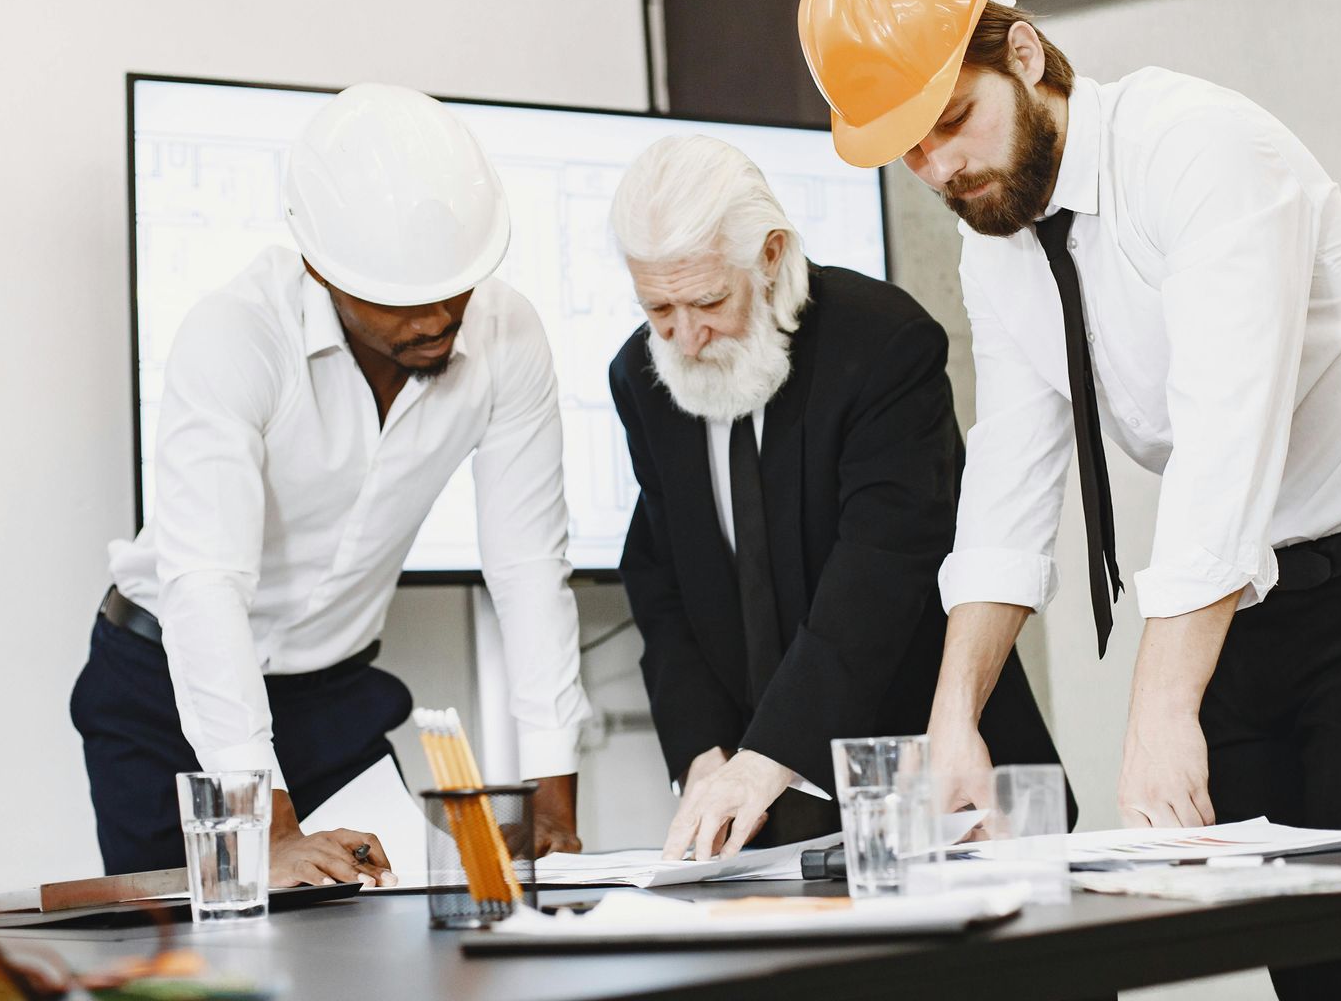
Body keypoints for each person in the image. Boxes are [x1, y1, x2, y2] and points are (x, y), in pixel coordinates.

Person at [798, 0, 1341, 1000]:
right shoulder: (999, 235)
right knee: (1297, 971)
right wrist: (953, 722)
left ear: (1023, 55)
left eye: (953, 122)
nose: (942, 168)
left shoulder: (1196, 146)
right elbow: (1009, 488)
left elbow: (1226, 440)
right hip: (1241, 618)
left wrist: (1160, 706)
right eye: (914, 150)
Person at [72, 83, 591, 885]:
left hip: (332, 693)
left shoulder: (507, 336)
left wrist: (554, 806)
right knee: (198, 960)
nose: (433, 319)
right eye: (399, 300)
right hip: (164, 688)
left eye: (455, 291)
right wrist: (269, 828)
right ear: (321, 268)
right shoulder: (235, 336)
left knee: (387, 932)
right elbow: (205, 586)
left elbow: (528, 569)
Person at [607, 133, 1066, 860]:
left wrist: (771, 755)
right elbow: (663, 576)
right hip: (762, 809)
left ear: (770, 253)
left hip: (935, 776)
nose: (686, 339)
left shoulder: (882, 342)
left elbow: (882, 570)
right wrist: (703, 755)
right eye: (657, 308)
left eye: (707, 301)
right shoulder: (641, 375)